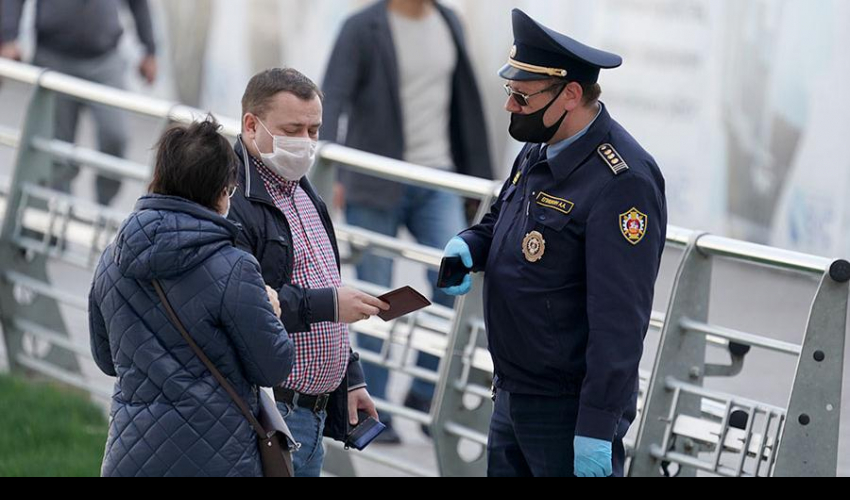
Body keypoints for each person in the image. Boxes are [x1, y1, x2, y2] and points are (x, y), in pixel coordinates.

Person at [440, 9, 668, 477]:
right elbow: (504, 220)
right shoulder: (539, 146)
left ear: (570, 94)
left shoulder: (622, 182)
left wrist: (597, 426)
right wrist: (470, 245)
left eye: (522, 96)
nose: (510, 107)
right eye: (510, 92)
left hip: (567, 412)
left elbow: (620, 320)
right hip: (512, 393)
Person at [322, 0, 493, 440]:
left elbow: (465, 108)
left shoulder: (449, 21)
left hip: (437, 178)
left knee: (456, 285)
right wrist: (334, 175)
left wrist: (477, 182)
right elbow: (331, 100)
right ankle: (376, 410)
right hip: (375, 182)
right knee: (379, 301)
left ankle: (424, 390)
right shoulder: (362, 27)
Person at [89, 117, 294, 477]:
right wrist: (272, 312)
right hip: (219, 460)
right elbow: (274, 366)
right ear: (221, 191)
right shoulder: (234, 267)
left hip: (130, 457)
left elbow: (107, 359)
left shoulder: (112, 259)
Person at [228, 68, 388, 477]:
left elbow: (324, 279)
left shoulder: (302, 189)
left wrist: (350, 378)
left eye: (314, 130)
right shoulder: (232, 197)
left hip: (314, 414)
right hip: (271, 410)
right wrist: (331, 305)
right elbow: (247, 301)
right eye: (293, 129)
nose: (305, 142)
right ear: (251, 125)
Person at [0, 0, 158, 206]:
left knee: (115, 136)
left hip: (105, 60)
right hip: (53, 58)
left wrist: (150, 49)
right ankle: (59, 217)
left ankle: (103, 210)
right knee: (57, 151)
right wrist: (9, 37)